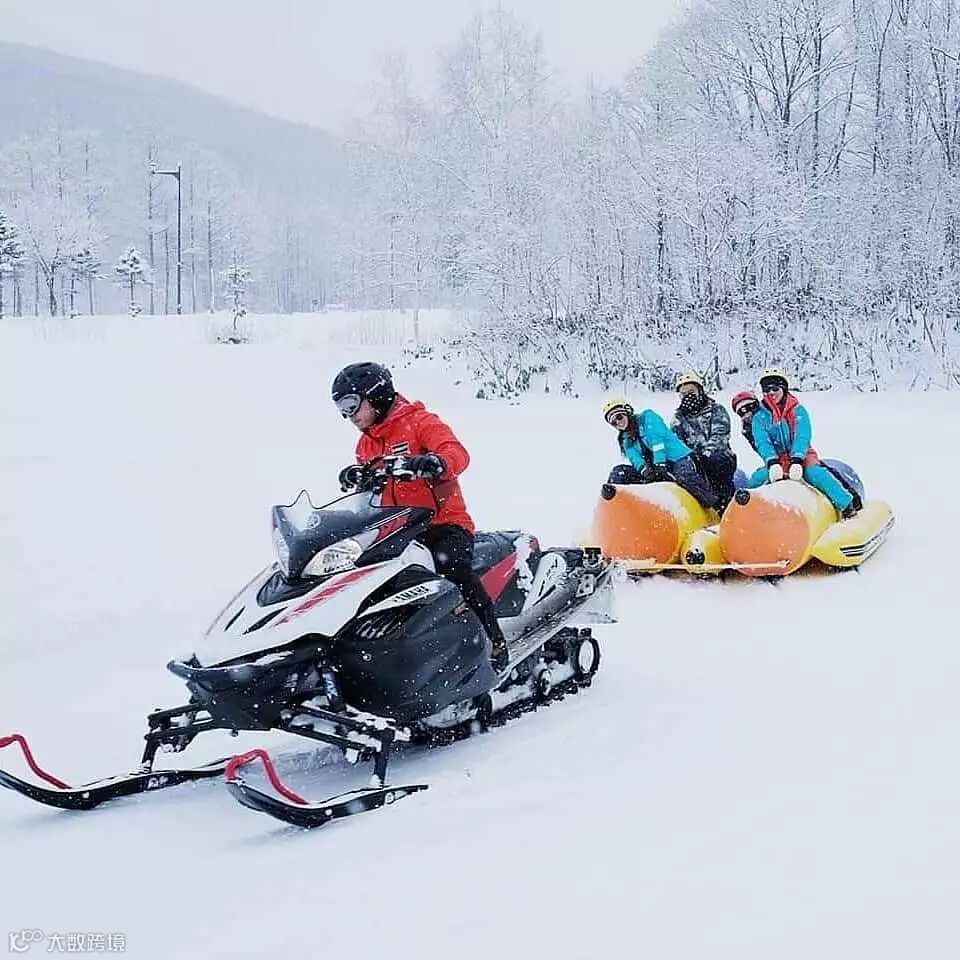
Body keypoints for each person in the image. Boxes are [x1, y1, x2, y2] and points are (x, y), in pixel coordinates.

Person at [331, 362, 510, 671]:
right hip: (396, 530)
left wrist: (436, 462)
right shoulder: (365, 444)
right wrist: (358, 476)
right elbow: (371, 495)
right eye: (341, 409)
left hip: (442, 524)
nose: (349, 416)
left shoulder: (420, 422)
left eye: (351, 404)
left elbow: (457, 453)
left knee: (451, 568)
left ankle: (493, 641)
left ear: (376, 395)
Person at [748, 368, 858, 518]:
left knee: (816, 474)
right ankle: (746, 515)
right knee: (757, 479)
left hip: (803, 455)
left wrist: (798, 459)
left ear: (784, 389)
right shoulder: (759, 417)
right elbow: (762, 442)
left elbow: (802, 436)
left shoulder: (798, 410)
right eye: (767, 390)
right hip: (778, 460)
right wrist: (772, 461)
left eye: (775, 388)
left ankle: (846, 505)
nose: (771, 393)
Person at [602, 397, 720, 510]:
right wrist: (644, 470)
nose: (618, 423)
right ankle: (615, 508)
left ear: (627, 412)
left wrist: (659, 463)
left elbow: (657, 440)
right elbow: (634, 457)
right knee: (619, 472)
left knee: (684, 476)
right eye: (613, 422)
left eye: (619, 417)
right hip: (654, 467)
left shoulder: (647, 417)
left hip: (677, 459)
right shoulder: (625, 438)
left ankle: (713, 505)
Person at [671, 372, 737, 508]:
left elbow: (720, 435)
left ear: (700, 391)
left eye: (691, 392)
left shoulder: (716, 409)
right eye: (683, 394)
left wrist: (706, 454)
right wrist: (690, 457)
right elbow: (675, 442)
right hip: (694, 459)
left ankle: (726, 503)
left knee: (716, 461)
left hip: (719, 457)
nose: (688, 397)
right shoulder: (678, 417)